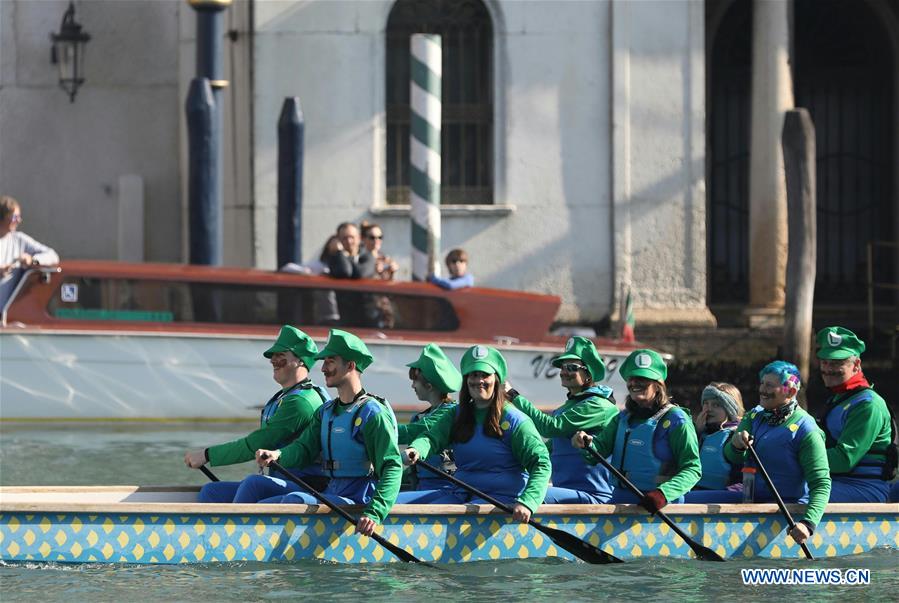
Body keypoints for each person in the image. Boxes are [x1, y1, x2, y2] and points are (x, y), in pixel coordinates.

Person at [253, 329, 403, 536]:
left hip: (359, 500)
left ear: (350, 365)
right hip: (331, 492)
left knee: (294, 501)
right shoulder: (325, 411)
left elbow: (392, 466)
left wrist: (375, 513)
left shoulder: (372, 413)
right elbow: (304, 448)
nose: (323, 368)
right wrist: (278, 454)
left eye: (330, 361)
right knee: (259, 501)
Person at [398, 345, 551, 523]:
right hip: (461, 493)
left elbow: (541, 464)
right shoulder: (457, 414)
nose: (478, 380)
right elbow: (431, 438)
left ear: (496, 379)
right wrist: (416, 449)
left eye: (484, 375)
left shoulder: (515, 421)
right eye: (473, 375)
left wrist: (528, 502)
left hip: (502, 500)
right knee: (393, 502)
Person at [687, 361, 831, 547]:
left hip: (786, 506)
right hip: (749, 498)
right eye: (762, 383)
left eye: (770, 385)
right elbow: (732, 457)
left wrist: (808, 524)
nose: (762, 390)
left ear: (791, 392)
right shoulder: (754, 417)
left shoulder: (806, 430)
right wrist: (737, 445)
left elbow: (821, 483)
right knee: (680, 499)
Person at [184, 325, 329, 502]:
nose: (273, 361)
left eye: (280, 356)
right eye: (272, 356)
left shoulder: (301, 402)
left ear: (301, 361)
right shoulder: (284, 397)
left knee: (253, 484)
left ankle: (237, 529)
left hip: (308, 484)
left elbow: (257, 443)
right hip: (286, 481)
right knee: (211, 491)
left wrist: (207, 455)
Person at [572, 349, 701, 511]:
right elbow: (594, 455)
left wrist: (662, 495)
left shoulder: (676, 420)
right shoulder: (622, 419)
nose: (634, 383)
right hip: (620, 502)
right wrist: (586, 444)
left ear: (658, 385)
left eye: (642, 379)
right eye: (631, 379)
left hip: (661, 507)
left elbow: (692, 469)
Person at [506, 336, 618, 503]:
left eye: (572, 367)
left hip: (593, 496)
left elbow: (549, 428)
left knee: (524, 495)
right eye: (563, 367)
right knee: (507, 487)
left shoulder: (599, 406)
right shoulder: (567, 408)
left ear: (588, 374)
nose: (564, 372)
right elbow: (546, 450)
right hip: (566, 491)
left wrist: (513, 396)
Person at [815, 327, 895, 503]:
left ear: (856, 365)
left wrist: (795, 455)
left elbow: (844, 460)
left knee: (793, 494)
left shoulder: (868, 405)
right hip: (835, 482)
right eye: (824, 362)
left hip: (863, 488)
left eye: (837, 363)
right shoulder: (838, 399)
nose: (828, 369)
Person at [398, 343, 462, 491]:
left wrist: (374, 430)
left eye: (415, 381)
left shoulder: (449, 413)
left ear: (429, 386)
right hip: (421, 486)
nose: (412, 386)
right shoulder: (421, 417)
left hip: (446, 487)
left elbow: (411, 432)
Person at [684, 382, 745, 496]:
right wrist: (695, 434)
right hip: (693, 495)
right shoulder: (699, 433)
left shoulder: (736, 437)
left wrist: (724, 495)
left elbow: (742, 481)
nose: (709, 409)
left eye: (716, 405)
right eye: (706, 403)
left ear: (730, 409)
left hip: (721, 500)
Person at [0, 196, 59, 310]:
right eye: (15, 217)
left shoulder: (19, 240)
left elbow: (53, 256)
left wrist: (32, 260)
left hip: (6, 315)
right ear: (3, 217)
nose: (19, 221)